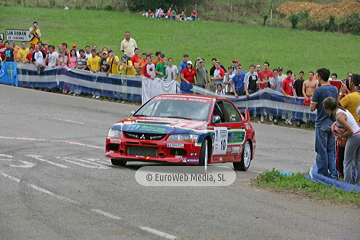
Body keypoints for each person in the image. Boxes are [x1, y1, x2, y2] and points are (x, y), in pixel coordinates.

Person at [323, 97, 360, 185]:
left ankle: (348, 184)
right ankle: (358, 183)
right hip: (358, 133)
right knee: (357, 161)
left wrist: (341, 135)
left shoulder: (339, 116)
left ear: (328, 108)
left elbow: (350, 131)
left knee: (347, 162)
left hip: (354, 136)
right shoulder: (342, 110)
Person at [310, 68, 338, 179]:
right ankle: (334, 174)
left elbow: (312, 108)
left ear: (320, 78)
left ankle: (322, 175)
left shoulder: (318, 91)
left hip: (321, 123)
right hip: (332, 122)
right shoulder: (335, 89)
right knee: (331, 151)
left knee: (322, 151)